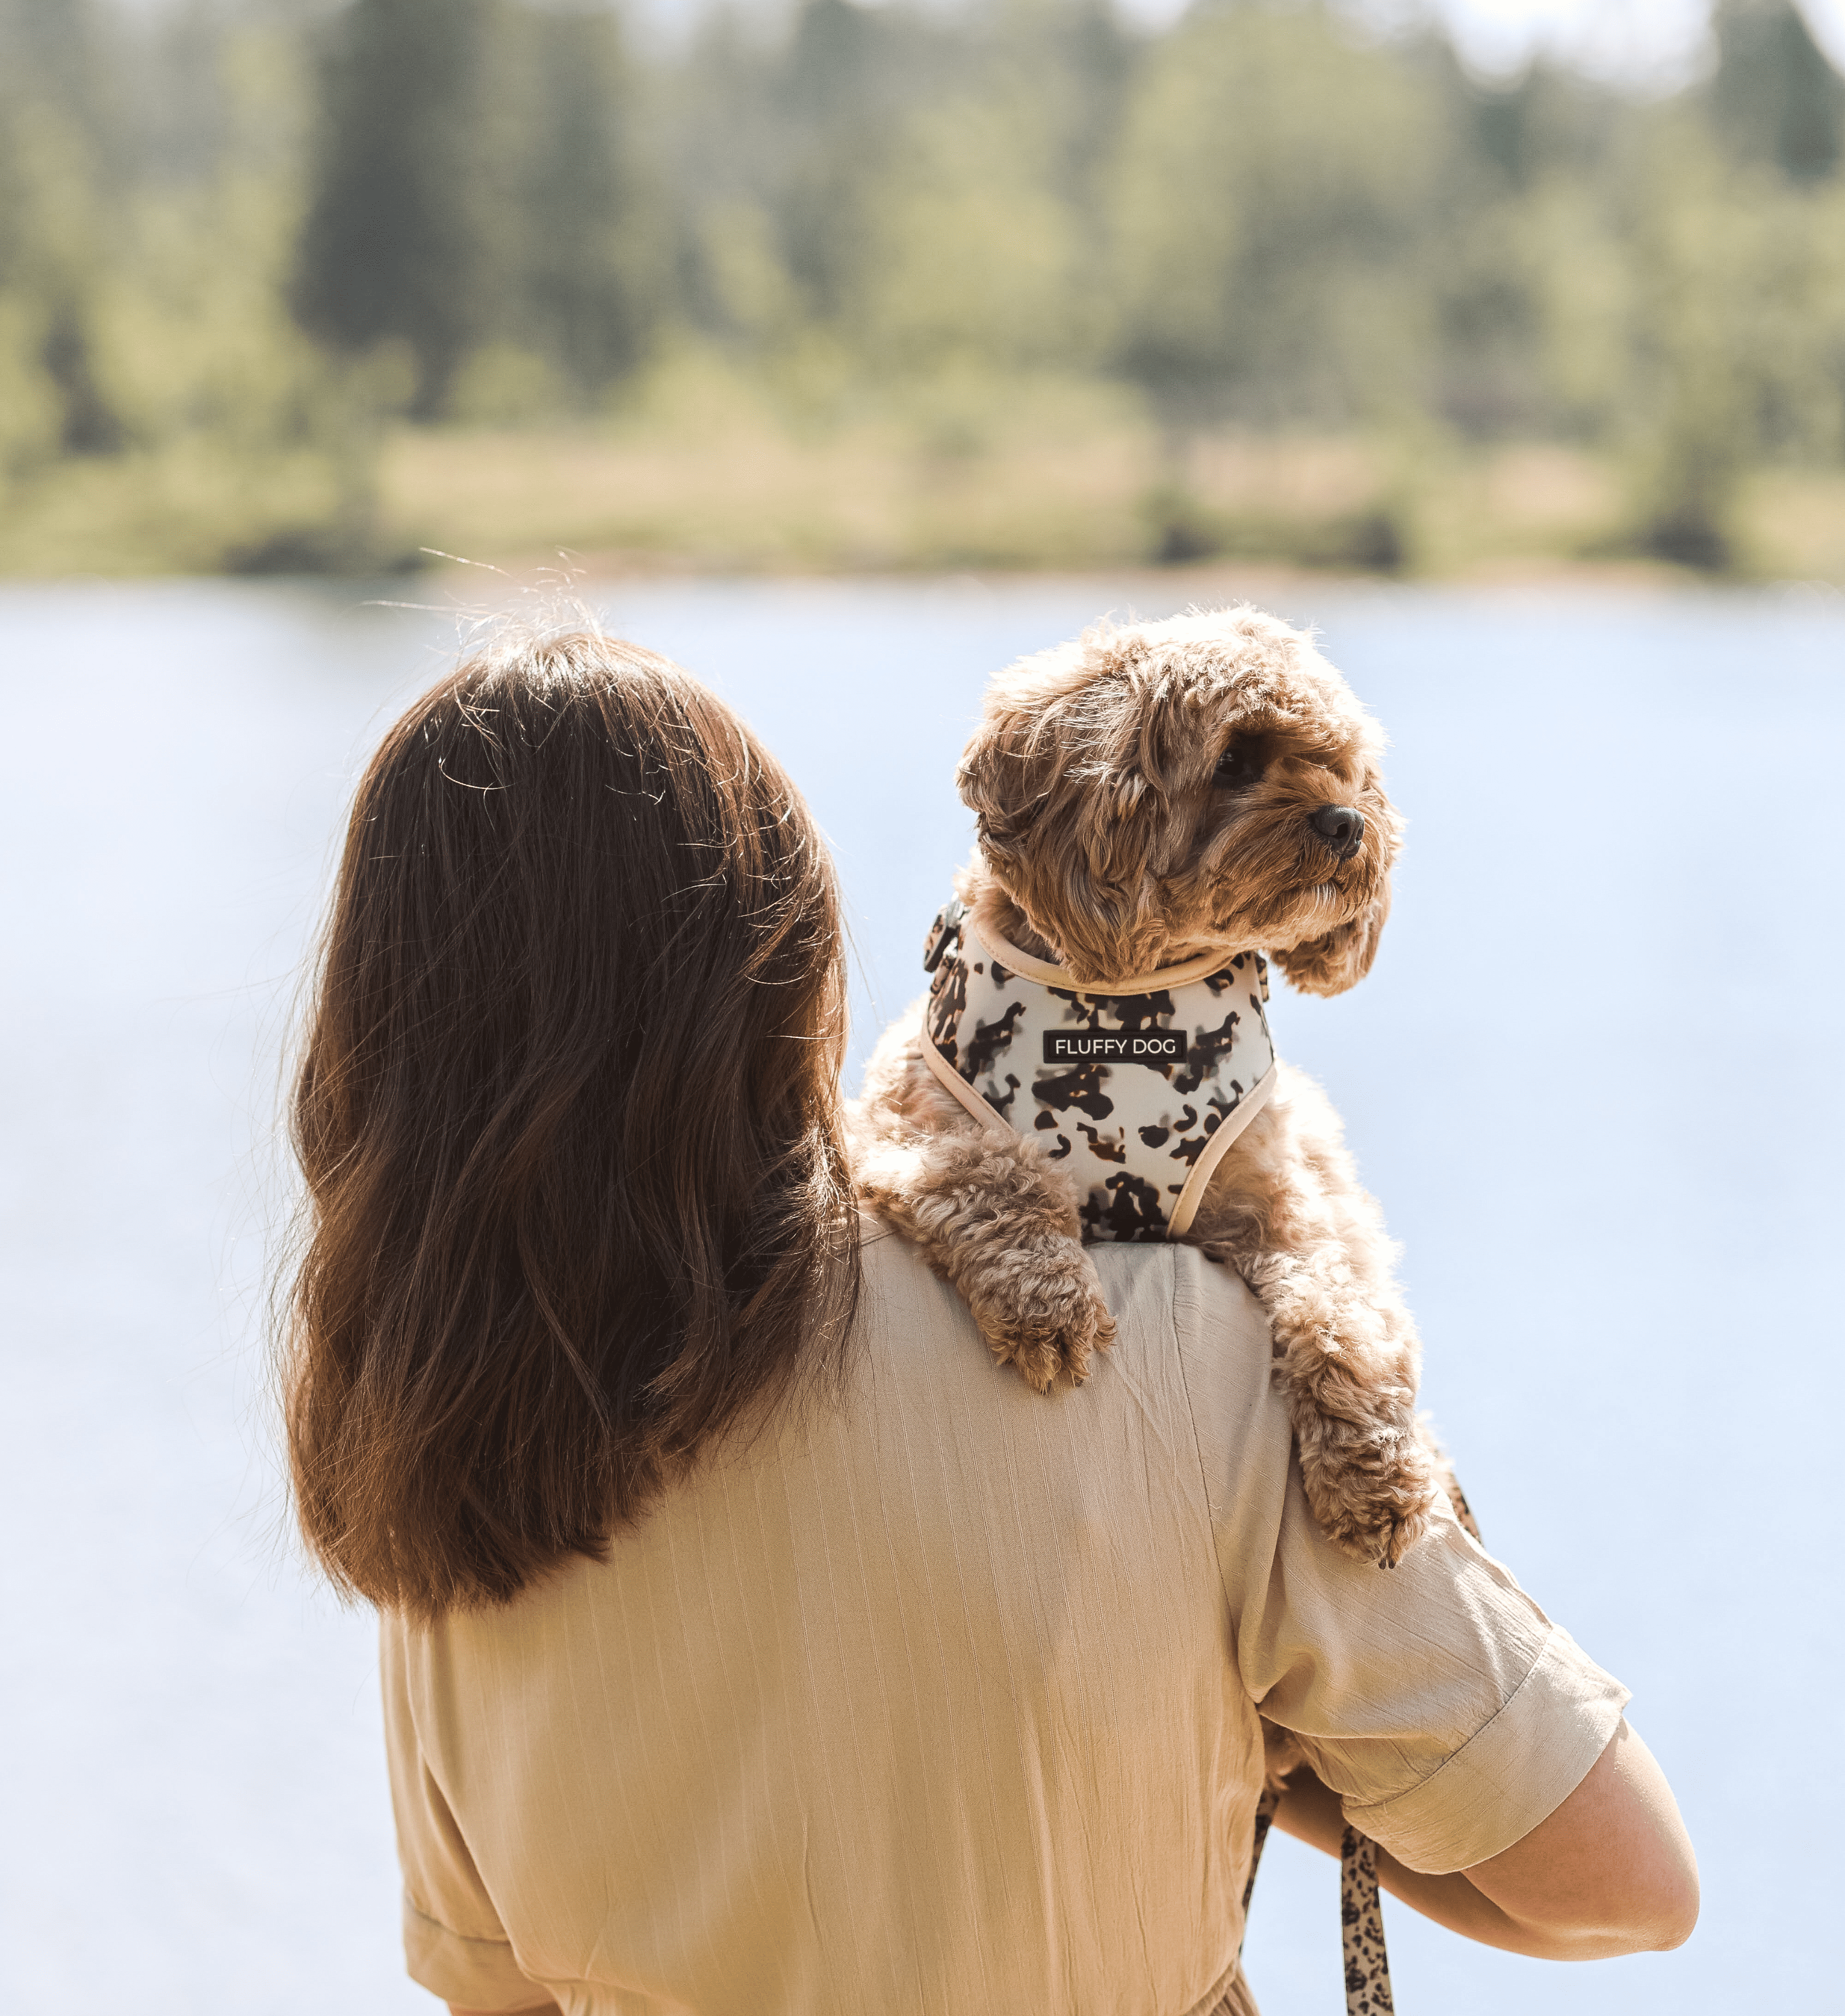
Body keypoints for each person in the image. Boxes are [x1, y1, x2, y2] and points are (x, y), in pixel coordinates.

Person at [282, 628, 1697, 2016]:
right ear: (788, 951)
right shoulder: (1187, 1348)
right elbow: (1621, 1886)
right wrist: (1264, 1742)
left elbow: (493, 1986)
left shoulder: (449, 1458)